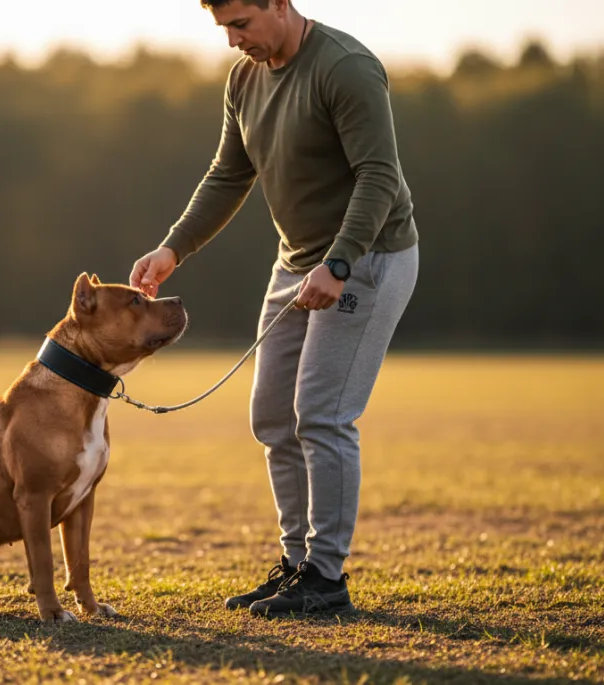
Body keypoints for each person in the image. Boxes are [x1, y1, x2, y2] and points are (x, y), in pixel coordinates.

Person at [129, 0, 420, 618]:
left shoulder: (345, 67)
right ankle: (296, 567)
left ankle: (326, 576)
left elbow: (379, 177)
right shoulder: (244, 78)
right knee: (271, 417)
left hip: (367, 260)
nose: (233, 41)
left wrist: (339, 264)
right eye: (224, 29)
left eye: (241, 24)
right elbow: (228, 174)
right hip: (295, 265)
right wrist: (172, 248)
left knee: (322, 414)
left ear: (280, 5)